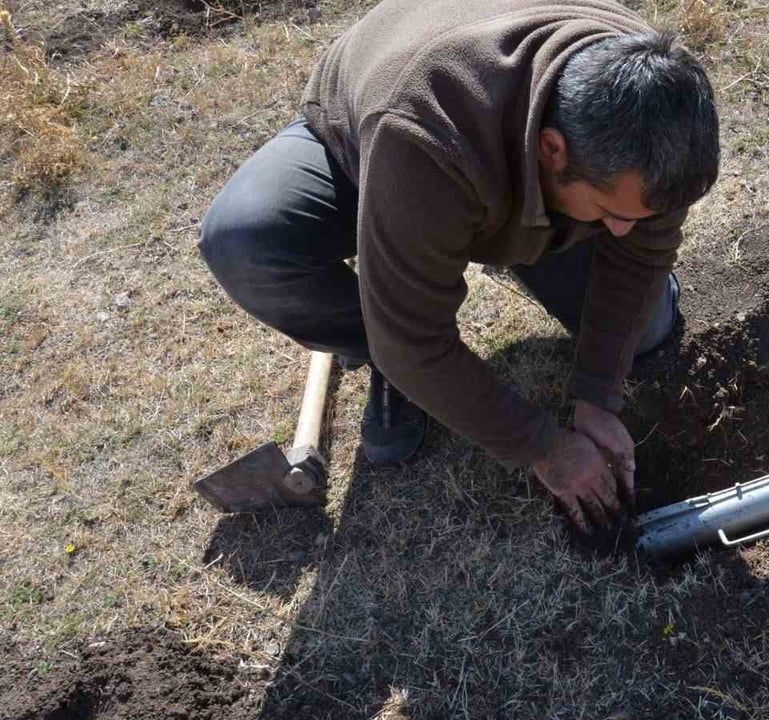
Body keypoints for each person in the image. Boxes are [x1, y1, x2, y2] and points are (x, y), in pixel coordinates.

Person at [197, 0, 720, 534]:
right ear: (552, 150)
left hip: (504, 162)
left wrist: (599, 394)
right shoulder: (418, 129)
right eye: (611, 213)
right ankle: (376, 342)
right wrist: (544, 446)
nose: (623, 230)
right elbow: (414, 343)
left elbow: (641, 251)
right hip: (375, 141)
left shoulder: (655, 113)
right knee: (245, 242)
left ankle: (518, 238)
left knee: (647, 330)